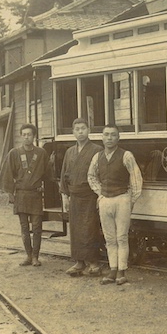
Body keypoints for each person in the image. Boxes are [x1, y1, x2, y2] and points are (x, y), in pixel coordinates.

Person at [87, 125, 143, 285]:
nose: (109, 138)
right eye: (106, 135)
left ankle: (121, 272)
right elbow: (91, 176)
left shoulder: (126, 155)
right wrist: (100, 193)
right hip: (105, 200)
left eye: (113, 135)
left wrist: (131, 200)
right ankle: (112, 271)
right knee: (109, 238)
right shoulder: (97, 157)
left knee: (122, 237)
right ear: (102, 138)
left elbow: (136, 178)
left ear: (118, 138)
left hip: (122, 198)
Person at [0, 123, 51, 268]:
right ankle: (28, 255)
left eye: (29, 134)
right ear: (21, 136)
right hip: (21, 194)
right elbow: (8, 174)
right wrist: (10, 193)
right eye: (24, 134)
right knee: (24, 227)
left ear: (34, 136)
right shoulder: (14, 153)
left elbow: (48, 174)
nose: (27, 137)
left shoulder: (41, 153)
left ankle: (36, 256)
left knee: (36, 227)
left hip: (35, 195)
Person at [59, 118, 103, 277]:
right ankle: (79, 262)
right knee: (76, 229)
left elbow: (101, 174)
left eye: (83, 128)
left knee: (90, 228)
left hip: (90, 195)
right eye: (77, 129)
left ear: (89, 130)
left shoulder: (97, 149)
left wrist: (100, 196)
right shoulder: (69, 152)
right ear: (73, 132)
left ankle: (93, 262)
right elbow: (64, 174)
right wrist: (65, 196)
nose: (80, 132)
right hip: (74, 196)